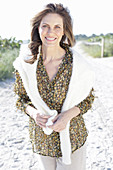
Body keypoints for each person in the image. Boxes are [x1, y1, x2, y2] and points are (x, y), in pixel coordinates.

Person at [13, 3, 95, 170]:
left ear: (64, 30)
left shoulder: (77, 64)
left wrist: (67, 116)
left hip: (74, 137)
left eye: (57, 27)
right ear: (38, 29)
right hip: (42, 139)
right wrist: (34, 113)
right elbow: (20, 99)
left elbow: (89, 98)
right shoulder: (26, 63)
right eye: (45, 26)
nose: (51, 32)